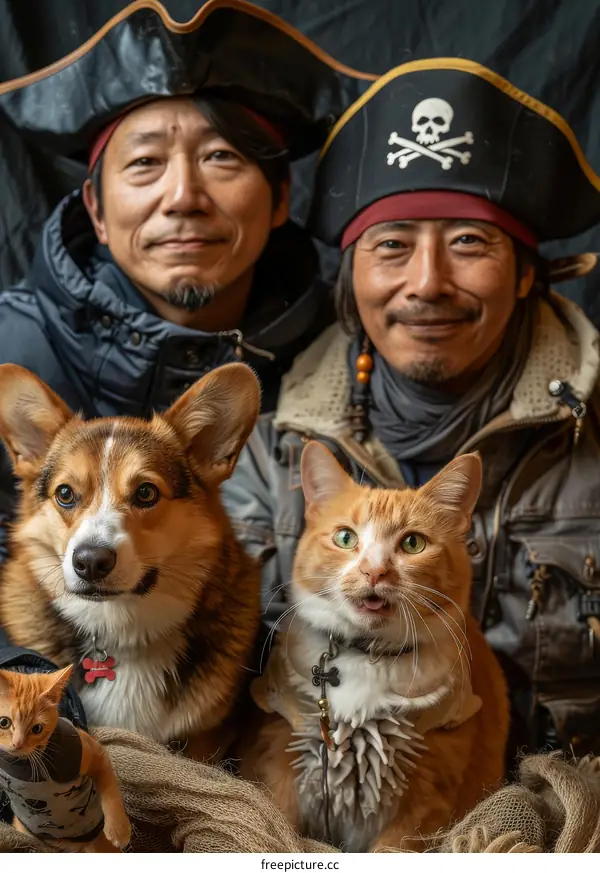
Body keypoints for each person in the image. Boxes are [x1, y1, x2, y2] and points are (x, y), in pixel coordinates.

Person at [223, 58, 600, 764]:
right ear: (352, 278)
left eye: (468, 242)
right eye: (391, 245)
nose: (427, 283)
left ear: (525, 274)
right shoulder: (266, 451)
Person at [0, 0, 374, 563]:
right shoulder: (10, 351)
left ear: (279, 200)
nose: (182, 198)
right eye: (145, 163)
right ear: (97, 210)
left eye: (221, 157)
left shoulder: (347, 360)